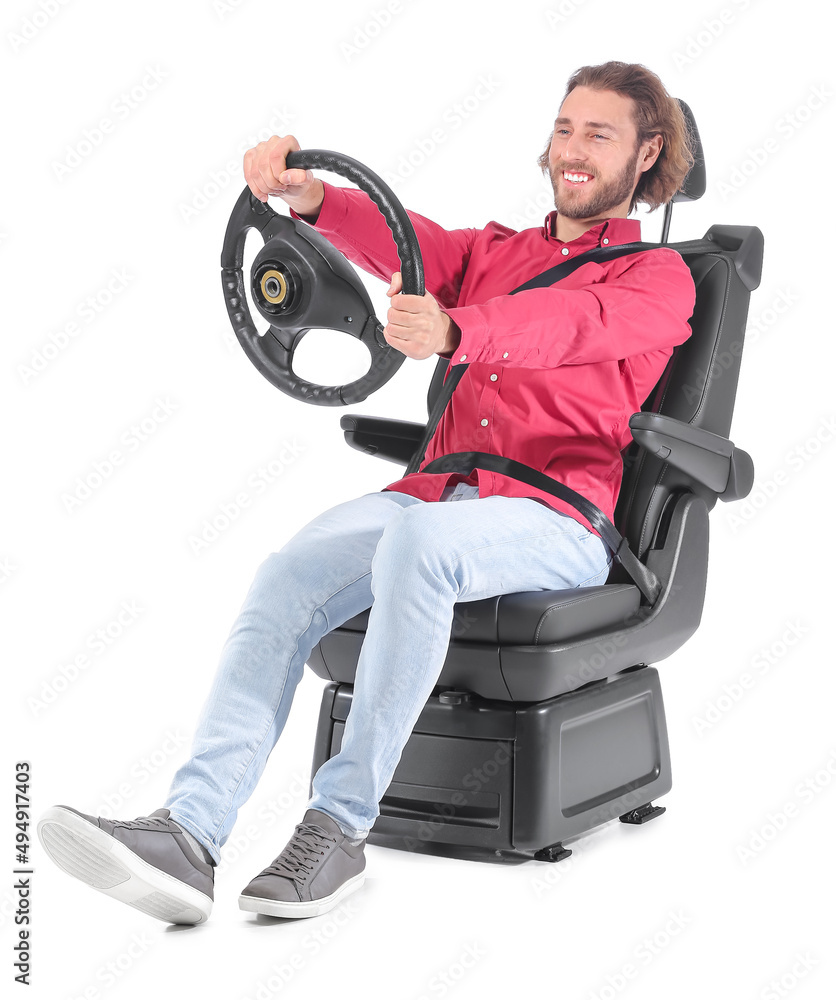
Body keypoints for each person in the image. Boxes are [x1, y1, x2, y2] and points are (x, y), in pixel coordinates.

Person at [37, 60, 697, 925]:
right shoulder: (499, 251)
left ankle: (338, 832)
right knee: (286, 572)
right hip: (438, 493)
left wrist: (462, 328)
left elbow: (569, 327)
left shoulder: (658, 280)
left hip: (557, 515)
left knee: (417, 548)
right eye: (566, 129)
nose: (573, 151)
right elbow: (410, 245)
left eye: (599, 135)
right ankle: (190, 834)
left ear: (647, 153)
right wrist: (311, 202)